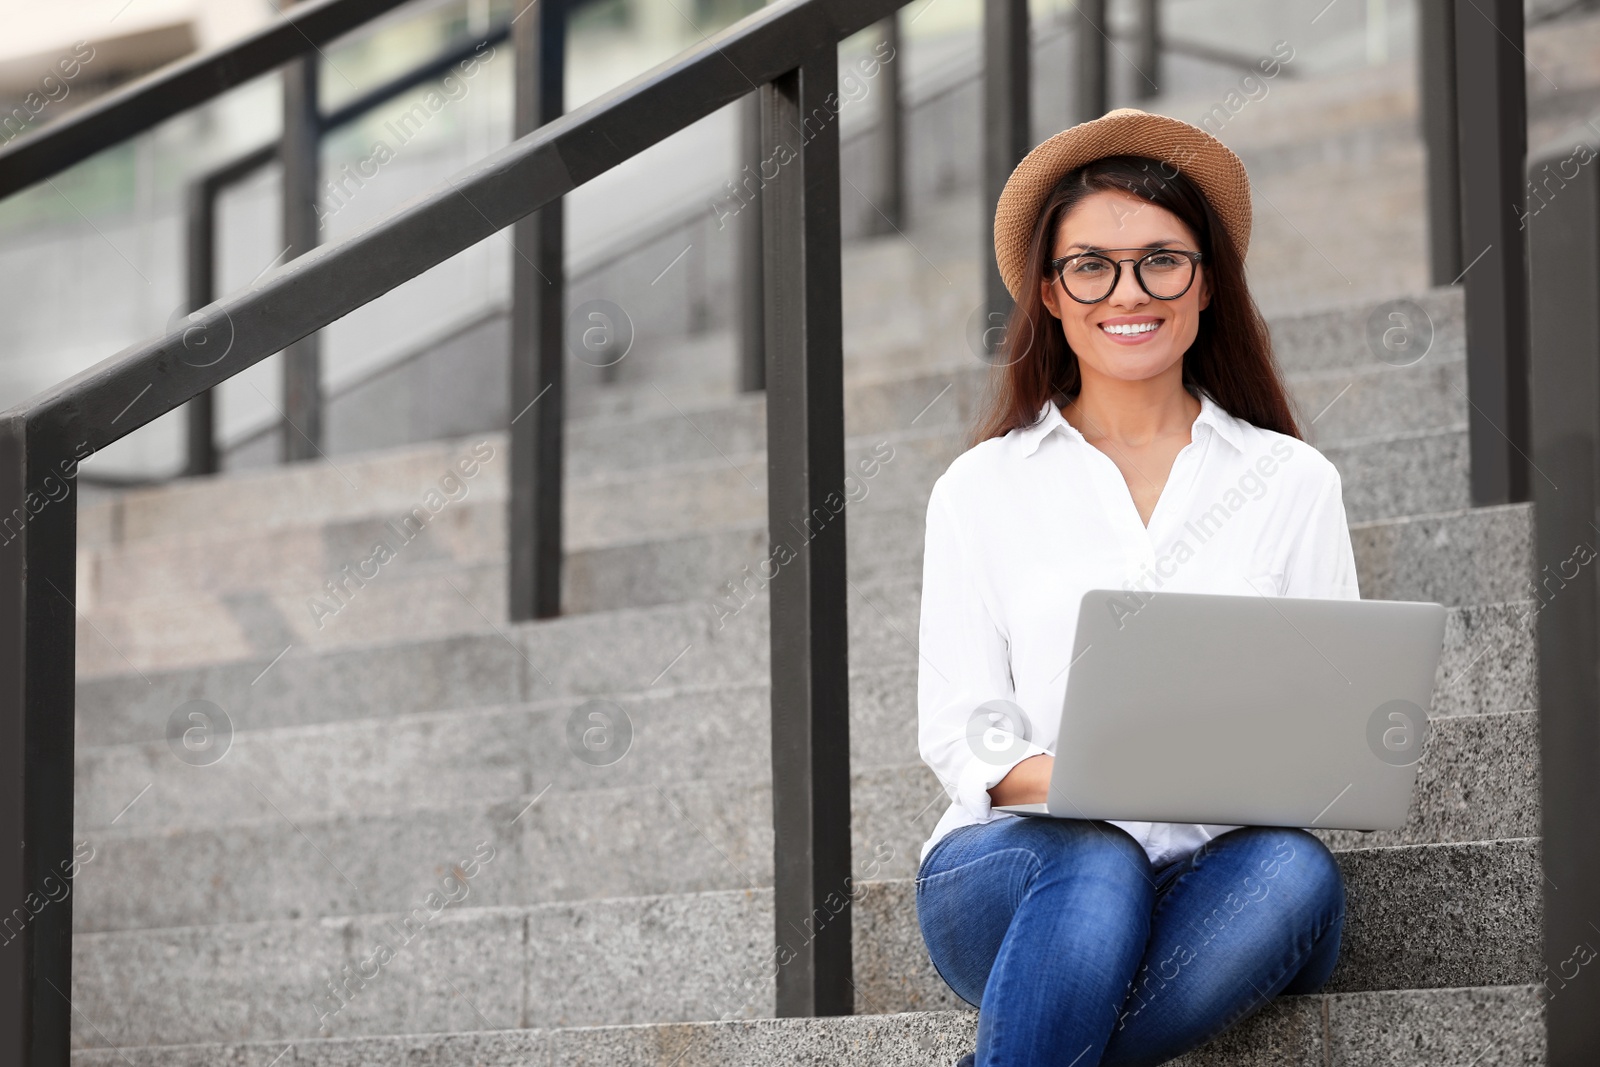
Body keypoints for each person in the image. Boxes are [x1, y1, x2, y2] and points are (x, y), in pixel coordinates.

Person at [914, 108, 1358, 1067]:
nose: (1130, 290)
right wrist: (1101, 784)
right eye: (1092, 264)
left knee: (1295, 871)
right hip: (1021, 872)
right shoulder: (981, 489)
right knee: (1100, 861)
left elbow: (1332, 729)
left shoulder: (1291, 482)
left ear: (1205, 286)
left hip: (1228, 878)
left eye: (1163, 259)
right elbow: (964, 732)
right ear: (1050, 291)